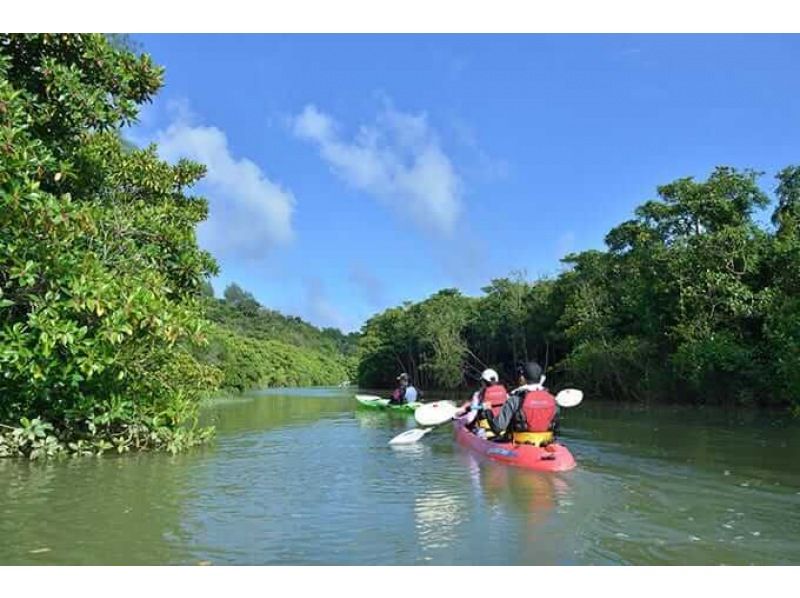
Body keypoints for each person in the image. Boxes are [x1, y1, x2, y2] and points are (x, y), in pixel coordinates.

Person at [483, 361, 558, 443]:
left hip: (520, 445)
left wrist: (487, 411)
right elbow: (556, 427)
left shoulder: (514, 400)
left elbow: (497, 428)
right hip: (546, 443)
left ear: (522, 378)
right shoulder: (552, 399)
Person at [454, 369, 508, 435]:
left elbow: (470, 418)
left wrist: (459, 421)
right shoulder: (506, 394)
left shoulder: (478, 395)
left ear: (483, 382)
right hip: (505, 431)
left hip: (486, 433)